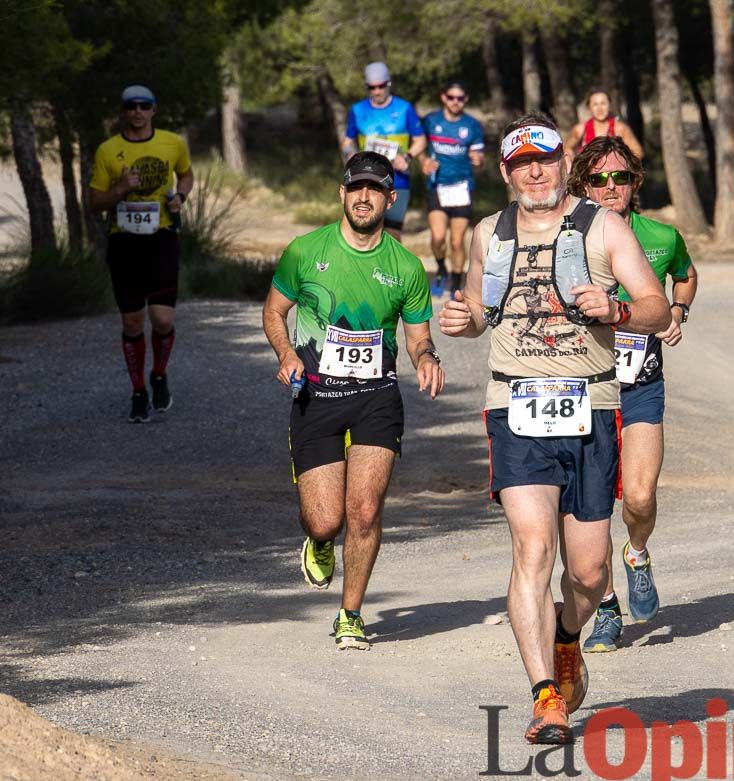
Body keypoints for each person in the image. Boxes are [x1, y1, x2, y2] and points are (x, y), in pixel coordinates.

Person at [438, 113, 669, 743]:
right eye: (520, 164)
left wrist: (618, 308)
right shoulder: (489, 233)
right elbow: (478, 313)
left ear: (564, 163)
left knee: (590, 573)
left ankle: (568, 637)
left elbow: (656, 305)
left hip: (591, 407)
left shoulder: (605, 226)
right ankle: (545, 696)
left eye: (543, 159)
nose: (534, 172)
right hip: (514, 409)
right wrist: (461, 320)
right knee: (532, 548)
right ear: (507, 173)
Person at [263, 152, 444, 651]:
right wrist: (285, 354)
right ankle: (319, 541)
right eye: (355, 187)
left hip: (376, 398)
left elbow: (417, 338)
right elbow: (275, 312)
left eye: (375, 188)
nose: (364, 196)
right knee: (327, 518)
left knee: (364, 511)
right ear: (343, 194)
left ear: (391, 198)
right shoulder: (305, 250)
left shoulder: (406, 267)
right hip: (316, 395)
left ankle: (350, 614)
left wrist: (427, 357)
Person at [565, 137, 698, 653]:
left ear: (635, 182)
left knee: (639, 495)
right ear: (581, 184)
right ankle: (605, 610)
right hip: (582, 391)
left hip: (640, 386)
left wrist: (678, 312)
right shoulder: (566, 237)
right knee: (592, 506)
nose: (610, 187)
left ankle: (637, 553)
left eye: (620, 177)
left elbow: (685, 278)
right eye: (598, 179)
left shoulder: (661, 237)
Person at [88, 85, 193, 422]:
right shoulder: (108, 150)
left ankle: (159, 374)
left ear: (153, 110)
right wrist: (120, 189)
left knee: (162, 319)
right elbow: (95, 202)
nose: (137, 112)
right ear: (123, 111)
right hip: (124, 243)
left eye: (143, 106)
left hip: (161, 238)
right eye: (131, 106)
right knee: (132, 322)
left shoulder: (172, 143)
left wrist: (181, 197)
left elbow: (186, 174)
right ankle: (138, 391)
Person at [341, 62, 427, 239]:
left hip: (398, 180)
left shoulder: (404, 108)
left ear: (388, 84)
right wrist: (351, 154)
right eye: (372, 87)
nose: (377, 91)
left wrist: (407, 157)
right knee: (364, 230)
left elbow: (421, 140)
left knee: (393, 233)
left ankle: (393, 267)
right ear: (367, 87)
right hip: (367, 179)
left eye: (381, 86)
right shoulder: (357, 110)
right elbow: (348, 141)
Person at [421, 79, 485, 298]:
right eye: (451, 97)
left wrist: (478, 160)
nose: (455, 102)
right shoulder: (431, 121)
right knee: (438, 237)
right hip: (437, 185)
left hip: (461, 187)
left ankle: (457, 279)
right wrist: (423, 161)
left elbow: (479, 155)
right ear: (443, 97)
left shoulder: (472, 125)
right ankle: (440, 269)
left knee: (457, 241)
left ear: (465, 99)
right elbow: (419, 144)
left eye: (460, 98)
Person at [563, 89, 644, 159]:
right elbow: (567, 149)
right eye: (595, 104)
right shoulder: (580, 129)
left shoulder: (620, 128)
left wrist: (622, 162)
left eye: (603, 103)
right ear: (589, 108)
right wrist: (575, 165)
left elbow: (638, 152)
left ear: (609, 105)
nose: (600, 108)